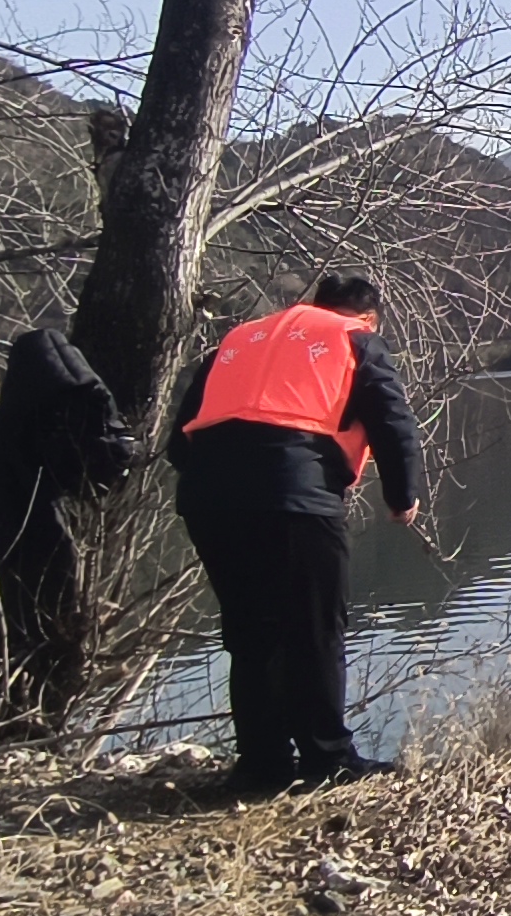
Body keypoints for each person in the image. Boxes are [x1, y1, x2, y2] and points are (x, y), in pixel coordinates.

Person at [169, 274, 423, 796]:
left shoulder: (238, 340)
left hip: (209, 497)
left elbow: (181, 438)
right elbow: (393, 423)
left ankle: (261, 765)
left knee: (251, 630)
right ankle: (327, 759)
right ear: (368, 317)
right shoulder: (356, 339)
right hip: (294, 495)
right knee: (315, 627)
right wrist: (402, 498)